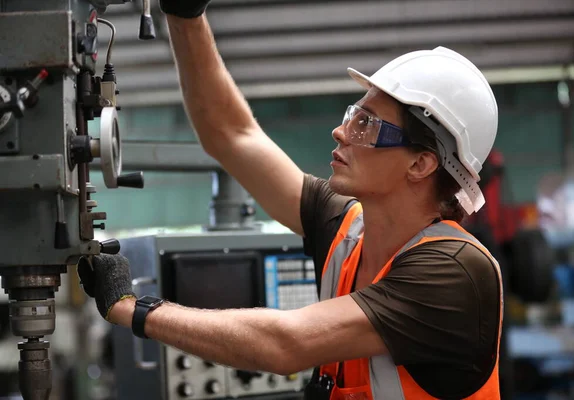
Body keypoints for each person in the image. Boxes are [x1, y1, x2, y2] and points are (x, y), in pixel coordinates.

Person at [77, 1, 504, 399]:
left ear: (422, 164)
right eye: (352, 115)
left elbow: (286, 344)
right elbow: (231, 134)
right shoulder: (348, 229)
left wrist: (133, 309)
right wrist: (186, 15)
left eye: (367, 125)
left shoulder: (454, 271)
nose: (342, 132)